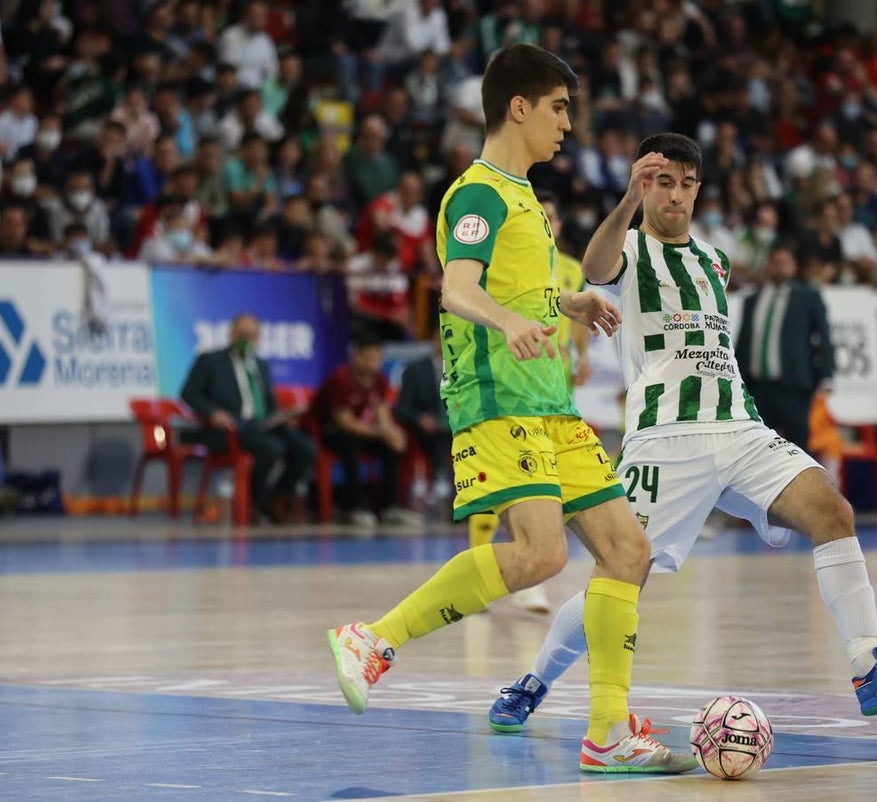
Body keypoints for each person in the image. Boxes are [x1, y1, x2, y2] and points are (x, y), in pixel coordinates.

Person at [488, 132, 877, 736]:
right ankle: (533, 681)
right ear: (645, 186)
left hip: (738, 429)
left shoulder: (715, 260)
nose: (674, 195)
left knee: (832, 509)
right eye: (661, 182)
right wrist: (627, 198)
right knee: (621, 577)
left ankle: (869, 667)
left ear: (697, 189)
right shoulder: (628, 250)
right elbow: (597, 268)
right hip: (664, 439)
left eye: (684, 183)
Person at [326, 44, 694, 775]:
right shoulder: (478, 193)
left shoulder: (523, 194)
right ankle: (374, 639)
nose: (567, 124)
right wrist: (509, 324)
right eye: (559, 108)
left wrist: (567, 302)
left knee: (628, 552)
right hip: (495, 398)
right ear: (518, 107)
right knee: (540, 553)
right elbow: (458, 288)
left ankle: (608, 734)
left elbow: (519, 287)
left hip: (550, 402)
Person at [467, 192, 593, 615]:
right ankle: (487, 567)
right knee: (505, 481)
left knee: (547, 480)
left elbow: (574, 321)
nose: (549, 222)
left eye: (553, 216)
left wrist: (584, 356)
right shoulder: (508, 262)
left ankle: (532, 577)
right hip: (514, 378)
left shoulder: (571, 270)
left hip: (554, 383)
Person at [181, 313, 316, 522]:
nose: (246, 340)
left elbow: (268, 403)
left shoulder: (261, 365)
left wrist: (284, 416)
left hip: (264, 425)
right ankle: (252, 503)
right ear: (232, 334)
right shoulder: (210, 360)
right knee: (271, 448)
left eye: (252, 335)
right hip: (231, 429)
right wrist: (213, 412)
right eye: (242, 334)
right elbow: (189, 393)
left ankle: (274, 499)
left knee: (305, 448)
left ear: (259, 338)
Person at [736, 244, 835, 450]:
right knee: (758, 448)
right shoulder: (752, 299)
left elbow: (824, 336)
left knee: (797, 449)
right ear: (767, 266)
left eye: (785, 263)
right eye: (775, 262)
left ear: (794, 267)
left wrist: (827, 373)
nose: (779, 268)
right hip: (758, 388)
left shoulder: (807, 297)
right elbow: (744, 341)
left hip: (794, 386)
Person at [313, 337, 417, 528]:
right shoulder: (340, 379)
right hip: (331, 432)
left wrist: (391, 433)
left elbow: (382, 412)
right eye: (368, 358)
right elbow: (345, 422)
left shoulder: (380, 380)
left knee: (390, 445)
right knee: (351, 442)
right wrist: (381, 433)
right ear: (356, 357)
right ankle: (354, 507)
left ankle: (390, 507)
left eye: (377, 359)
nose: (373, 364)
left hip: (366, 431)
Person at [394, 327, 453, 508]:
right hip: (426, 431)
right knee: (441, 437)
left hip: (460, 427)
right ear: (434, 340)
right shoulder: (415, 370)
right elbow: (402, 407)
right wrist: (420, 419)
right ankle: (441, 484)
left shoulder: (466, 369)